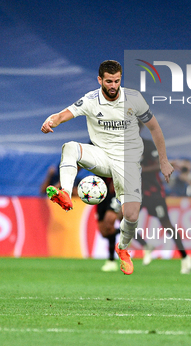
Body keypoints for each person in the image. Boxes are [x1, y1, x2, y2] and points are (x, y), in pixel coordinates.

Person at [40, 60, 174, 275]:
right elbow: (64, 114)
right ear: (100, 80)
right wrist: (51, 122)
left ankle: (122, 249)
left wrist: (164, 160)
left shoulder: (134, 99)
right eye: (109, 81)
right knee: (70, 148)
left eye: (117, 81)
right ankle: (64, 193)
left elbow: (155, 129)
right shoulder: (91, 100)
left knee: (131, 215)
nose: (113, 85)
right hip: (101, 156)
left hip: (127, 162)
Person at [140, 125, 191, 274]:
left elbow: (160, 165)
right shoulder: (122, 145)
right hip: (135, 191)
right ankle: (146, 245)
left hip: (153, 191)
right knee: (124, 218)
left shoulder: (147, 145)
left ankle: (185, 257)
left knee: (166, 224)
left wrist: (139, 170)